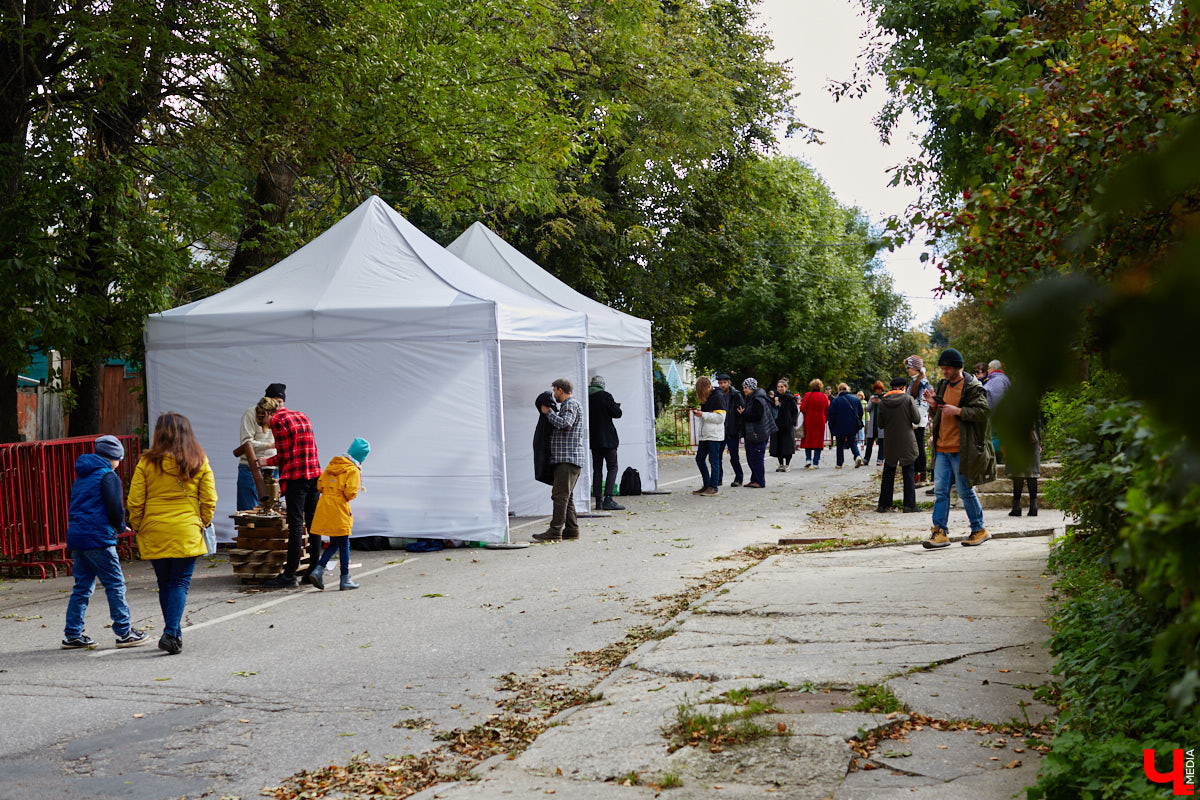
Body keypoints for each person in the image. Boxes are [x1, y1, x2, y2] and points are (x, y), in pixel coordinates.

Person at [127, 413, 216, 654]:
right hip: (186, 529)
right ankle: (170, 633)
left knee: (164, 582)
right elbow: (209, 499)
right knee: (180, 582)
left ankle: (173, 633)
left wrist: (138, 525)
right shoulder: (199, 460)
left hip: (154, 528)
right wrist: (202, 522)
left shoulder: (147, 462)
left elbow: (135, 500)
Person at [61, 435, 149, 650]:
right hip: (99, 539)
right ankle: (124, 632)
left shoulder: (83, 475)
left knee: (82, 587)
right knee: (115, 585)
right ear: (114, 457)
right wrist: (120, 526)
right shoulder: (108, 476)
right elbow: (114, 507)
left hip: (78, 537)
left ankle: (73, 634)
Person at [922, 348, 996, 549]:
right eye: (942, 368)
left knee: (965, 491)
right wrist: (933, 405)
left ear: (957, 367)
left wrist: (959, 411)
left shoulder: (972, 387)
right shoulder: (943, 384)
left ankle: (979, 529)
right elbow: (941, 412)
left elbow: (982, 412)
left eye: (946, 368)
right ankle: (940, 532)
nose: (943, 372)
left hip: (962, 449)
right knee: (940, 492)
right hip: (942, 448)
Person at [262, 399, 322, 587]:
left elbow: (284, 455)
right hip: (314, 474)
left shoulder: (277, 422)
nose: (265, 426)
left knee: (295, 524)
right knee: (314, 524)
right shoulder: (301, 415)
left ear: (266, 414)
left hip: (297, 477)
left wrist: (265, 461)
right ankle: (314, 570)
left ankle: (289, 576)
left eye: (262, 421)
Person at [307, 438, 370, 590]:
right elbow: (350, 493)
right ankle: (345, 578)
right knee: (344, 543)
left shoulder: (334, 463)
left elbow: (320, 484)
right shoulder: (353, 470)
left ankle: (318, 570)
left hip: (324, 504)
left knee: (335, 542)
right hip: (339, 507)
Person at [533, 378, 586, 542]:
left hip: (567, 459)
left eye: (555, 390)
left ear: (560, 390)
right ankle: (571, 529)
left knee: (559, 496)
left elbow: (565, 424)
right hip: (569, 458)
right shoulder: (570, 405)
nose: (554, 394)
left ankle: (555, 531)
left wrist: (548, 412)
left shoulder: (569, 404)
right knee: (566, 496)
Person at [235, 385, 283, 511]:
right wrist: (270, 445)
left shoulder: (282, 416)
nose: (278, 408)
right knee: (248, 511)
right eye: (276, 403)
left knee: (272, 510)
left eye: (281, 403)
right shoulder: (251, 413)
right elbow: (246, 443)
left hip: (272, 468)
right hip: (250, 467)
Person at [876, 378, 920, 513]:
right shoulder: (908, 400)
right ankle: (909, 505)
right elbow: (916, 419)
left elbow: (880, 424)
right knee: (908, 472)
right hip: (907, 440)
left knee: (888, 472)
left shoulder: (883, 401)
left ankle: (883, 504)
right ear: (903, 387)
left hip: (890, 441)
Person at [587, 375, 625, 511]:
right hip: (608, 439)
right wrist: (615, 406)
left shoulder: (587, 397)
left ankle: (598, 500)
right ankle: (608, 498)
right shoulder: (605, 395)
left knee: (597, 469)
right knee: (612, 467)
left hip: (594, 439)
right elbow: (617, 413)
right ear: (602, 385)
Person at [737, 377, 776, 488]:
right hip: (752, 433)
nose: (744, 390)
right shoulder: (751, 398)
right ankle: (754, 479)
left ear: (752, 387)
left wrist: (743, 414)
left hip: (758, 433)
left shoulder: (758, 399)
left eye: (746, 387)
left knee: (757, 458)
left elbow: (757, 416)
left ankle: (760, 481)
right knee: (751, 458)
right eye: (743, 387)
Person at [690, 377, 725, 496]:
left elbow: (720, 418)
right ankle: (707, 484)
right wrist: (701, 412)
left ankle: (713, 487)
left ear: (708, 387)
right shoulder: (708, 397)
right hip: (705, 435)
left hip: (714, 435)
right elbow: (709, 414)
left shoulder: (718, 397)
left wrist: (703, 414)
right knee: (699, 459)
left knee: (714, 461)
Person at [713, 374, 744, 487]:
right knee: (717, 456)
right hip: (720, 430)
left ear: (729, 383)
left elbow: (741, 412)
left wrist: (739, 429)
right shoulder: (716, 395)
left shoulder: (736, 395)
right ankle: (718, 478)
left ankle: (739, 478)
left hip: (732, 430)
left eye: (724, 383)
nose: (722, 385)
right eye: (720, 383)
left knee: (734, 457)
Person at [905, 356, 932, 483]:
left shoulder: (923, 382)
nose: (907, 370)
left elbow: (924, 403)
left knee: (919, 447)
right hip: (912, 419)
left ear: (916, 368)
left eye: (909, 367)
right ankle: (915, 473)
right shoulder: (913, 381)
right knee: (913, 448)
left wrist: (916, 420)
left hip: (918, 421)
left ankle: (922, 475)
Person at [827, 383, 865, 469]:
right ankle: (857, 456)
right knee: (852, 441)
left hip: (839, 425)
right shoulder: (856, 399)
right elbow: (861, 412)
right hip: (852, 425)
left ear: (839, 390)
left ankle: (839, 463)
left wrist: (831, 425)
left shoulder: (836, 401)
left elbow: (831, 415)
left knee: (840, 444)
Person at [984, 360, 1011, 462]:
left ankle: (997, 458)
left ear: (994, 369)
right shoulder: (1001, 379)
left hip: (994, 416)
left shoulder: (997, 380)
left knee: (995, 436)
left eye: (989, 368)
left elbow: (996, 398)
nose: (988, 371)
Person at [798, 379, 829, 468]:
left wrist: (807, 414)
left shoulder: (807, 395)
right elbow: (827, 409)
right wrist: (825, 419)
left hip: (809, 419)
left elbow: (802, 408)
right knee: (818, 440)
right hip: (820, 420)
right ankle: (816, 462)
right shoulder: (824, 396)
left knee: (808, 438)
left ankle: (808, 459)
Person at [770, 379, 798, 472]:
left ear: (786, 387)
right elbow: (771, 410)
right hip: (777, 425)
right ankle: (781, 464)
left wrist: (792, 422)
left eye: (782, 386)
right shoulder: (775, 398)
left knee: (787, 445)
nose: (780, 388)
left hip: (787, 425)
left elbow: (795, 411)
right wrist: (776, 405)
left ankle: (787, 464)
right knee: (778, 445)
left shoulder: (790, 398)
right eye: (778, 387)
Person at [863, 381, 886, 466]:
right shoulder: (872, 397)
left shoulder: (885, 397)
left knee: (881, 442)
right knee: (869, 442)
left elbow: (887, 408)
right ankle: (866, 459)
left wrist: (880, 402)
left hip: (881, 423)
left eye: (879, 389)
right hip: (873, 424)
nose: (877, 391)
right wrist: (872, 402)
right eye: (876, 389)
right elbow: (867, 409)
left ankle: (880, 459)